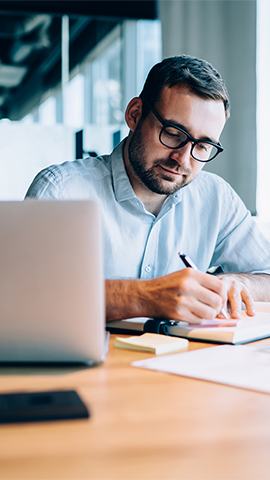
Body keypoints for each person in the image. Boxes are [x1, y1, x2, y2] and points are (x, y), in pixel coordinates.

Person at [25, 55, 270, 324]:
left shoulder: (216, 198)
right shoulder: (61, 191)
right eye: (174, 133)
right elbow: (24, 294)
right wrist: (146, 297)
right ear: (135, 114)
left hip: (181, 363)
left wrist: (235, 282)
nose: (183, 159)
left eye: (202, 146)